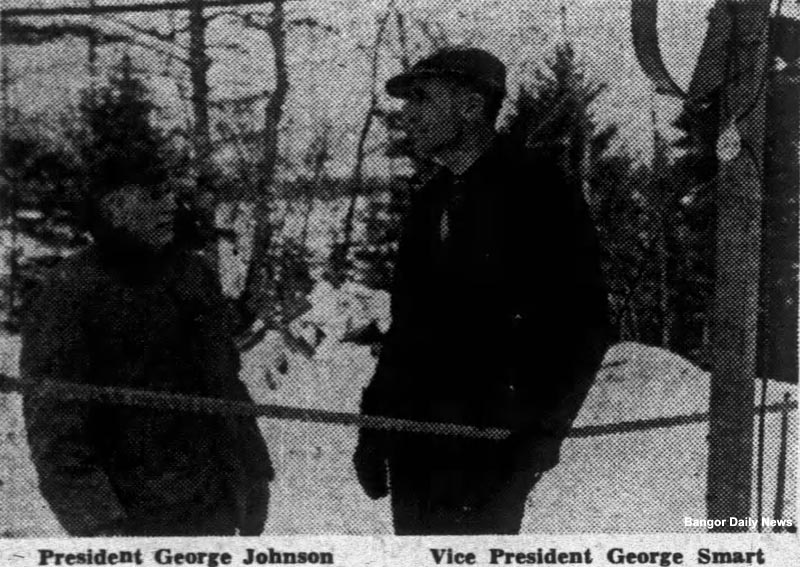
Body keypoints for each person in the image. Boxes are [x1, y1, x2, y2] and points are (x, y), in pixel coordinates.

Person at [353, 47, 610, 535]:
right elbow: (407, 330)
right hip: (417, 452)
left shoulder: (538, 190)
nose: (407, 116)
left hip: (493, 450)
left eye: (421, 100)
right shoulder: (429, 202)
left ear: (471, 107)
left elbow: (583, 326)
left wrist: (540, 432)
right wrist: (376, 429)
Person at [20, 152, 273, 537]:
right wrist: (97, 523)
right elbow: (56, 428)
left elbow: (226, 388)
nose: (172, 203)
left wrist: (253, 476)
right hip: (133, 516)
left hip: (213, 505)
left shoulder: (193, 275)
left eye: (171, 191)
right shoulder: (69, 292)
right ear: (115, 206)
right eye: (155, 194)